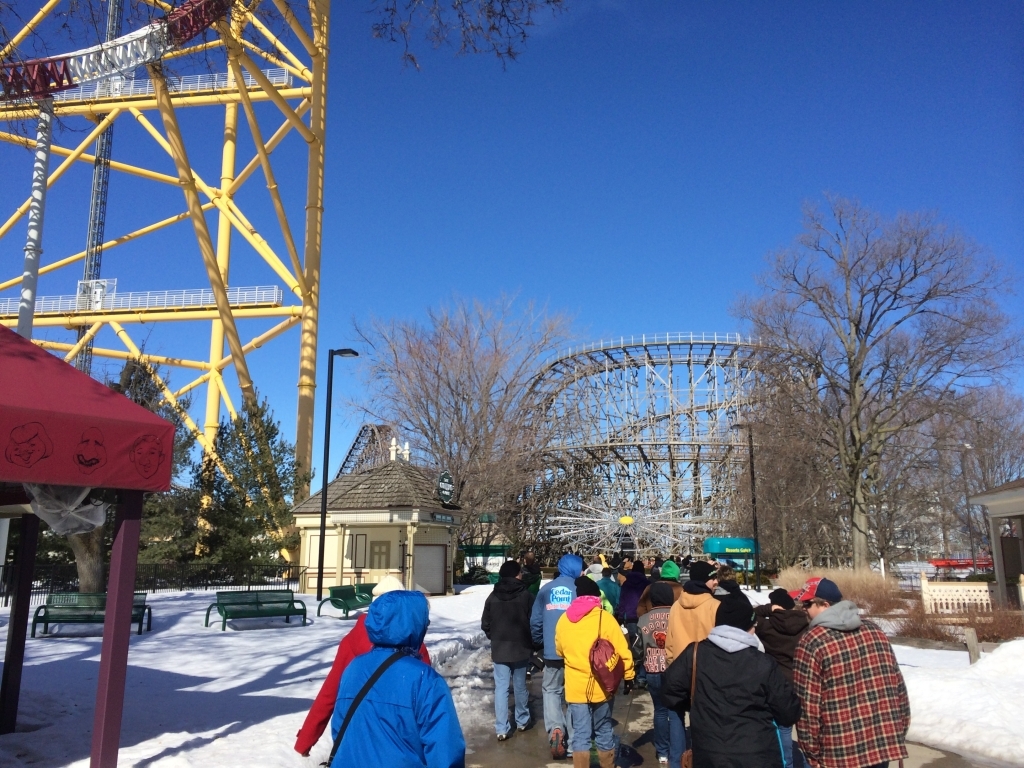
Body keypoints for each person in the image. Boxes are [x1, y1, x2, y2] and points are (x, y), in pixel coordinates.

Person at [663, 587, 801, 768]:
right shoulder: (763, 663)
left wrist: (697, 704)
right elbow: (789, 712)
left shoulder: (695, 654)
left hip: (709, 751)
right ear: (748, 627)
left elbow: (668, 691)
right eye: (754, 626)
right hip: (757, 753)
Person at [294, 575, 430, 756]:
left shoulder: (350, 642)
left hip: (355, 740)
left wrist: (305, 740)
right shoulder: (416, 646)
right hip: (400, 742)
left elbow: (329, 692)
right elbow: (427, 703)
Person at [328, 590, 465, 768]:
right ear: (415, 624)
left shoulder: (354, 668)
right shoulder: (425, 679)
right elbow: (444, 751)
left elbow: (339, 728)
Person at [792, 578, 910, 768]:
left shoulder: (812, 641)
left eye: (807, 603)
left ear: (825, 605)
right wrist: (899, 730)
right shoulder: (874, 630)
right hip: (882, 743)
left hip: (840, 749)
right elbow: (898, 687)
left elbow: (807, 705)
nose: (803, 608)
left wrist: (811, 753)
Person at [554, 576, 635, 768]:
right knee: (603, 729)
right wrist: (629, 675)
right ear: (596, 597)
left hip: (575, 687)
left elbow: (559, 650)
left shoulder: (564, 619)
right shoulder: (604, 618)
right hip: (602, 685)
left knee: (581, 734)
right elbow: (622, 649)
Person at [531, 552, 583, 759]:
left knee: (551, 690)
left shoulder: (545, 590)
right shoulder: (579, 589)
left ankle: (555, 730)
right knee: (573, 695)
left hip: (552, 651)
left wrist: (539, 642)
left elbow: (535, 620)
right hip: (575, 651)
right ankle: (571, 741)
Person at [755, 588, 810, 768]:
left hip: (780, 682)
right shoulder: (806, 624)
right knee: (807, 729)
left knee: (784, 728)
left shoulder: (767, 627)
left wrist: (769, 609)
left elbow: (751, 613)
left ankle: (787, 764)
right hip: (804, 679)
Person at [482, 560, 535, 740]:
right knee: (520, 686)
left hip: (500, 648)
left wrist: (494, 637)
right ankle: (522, 720)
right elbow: (534, 622)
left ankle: (501, 728)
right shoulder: (526, 596)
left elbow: (485, 623)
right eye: (520, 573)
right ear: (515, 575)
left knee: (501, 688)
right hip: (521, 646)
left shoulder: (492, 596)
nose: (522, 575)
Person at [636, 582, 684, 766]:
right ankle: (676, 751)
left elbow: (638, 648)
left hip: (652, 669)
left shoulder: (644, 620)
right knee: (675, 711)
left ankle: (662, 751)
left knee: (660, 711)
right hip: (674, 668)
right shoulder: (677, 616)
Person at [664, 560, 719, 666]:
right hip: (708, 670)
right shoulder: (715, 607)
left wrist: (672, 667)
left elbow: (670, 645)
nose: (716, 581)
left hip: (680, 669)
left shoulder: (676, 606)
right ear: (703, 581)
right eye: (712, 578)